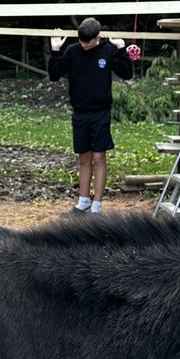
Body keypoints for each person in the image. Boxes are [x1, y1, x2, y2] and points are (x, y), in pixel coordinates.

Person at [48, 17, 133, 214]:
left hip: (100, 112)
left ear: (98, 38)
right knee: (83, 158)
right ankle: (83, 201)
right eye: (82, 41)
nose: (84, 45)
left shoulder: (107, 50)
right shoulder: (73, 51)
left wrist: (122, 49)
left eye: (88, 41)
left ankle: (97, 204)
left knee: (98, 158)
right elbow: (54, 74)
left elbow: (127, 73)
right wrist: (54, 50)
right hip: (80, 113)